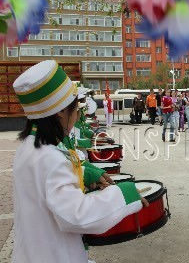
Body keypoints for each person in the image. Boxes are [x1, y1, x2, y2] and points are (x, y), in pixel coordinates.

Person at [12, 60, 147, 262]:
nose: (76, 116)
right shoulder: (49, 157)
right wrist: (123, 194)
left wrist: (81, 175)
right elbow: (77, 216)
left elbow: (46, 188)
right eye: (75, 110)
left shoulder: (28, 147)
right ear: (60, 111)